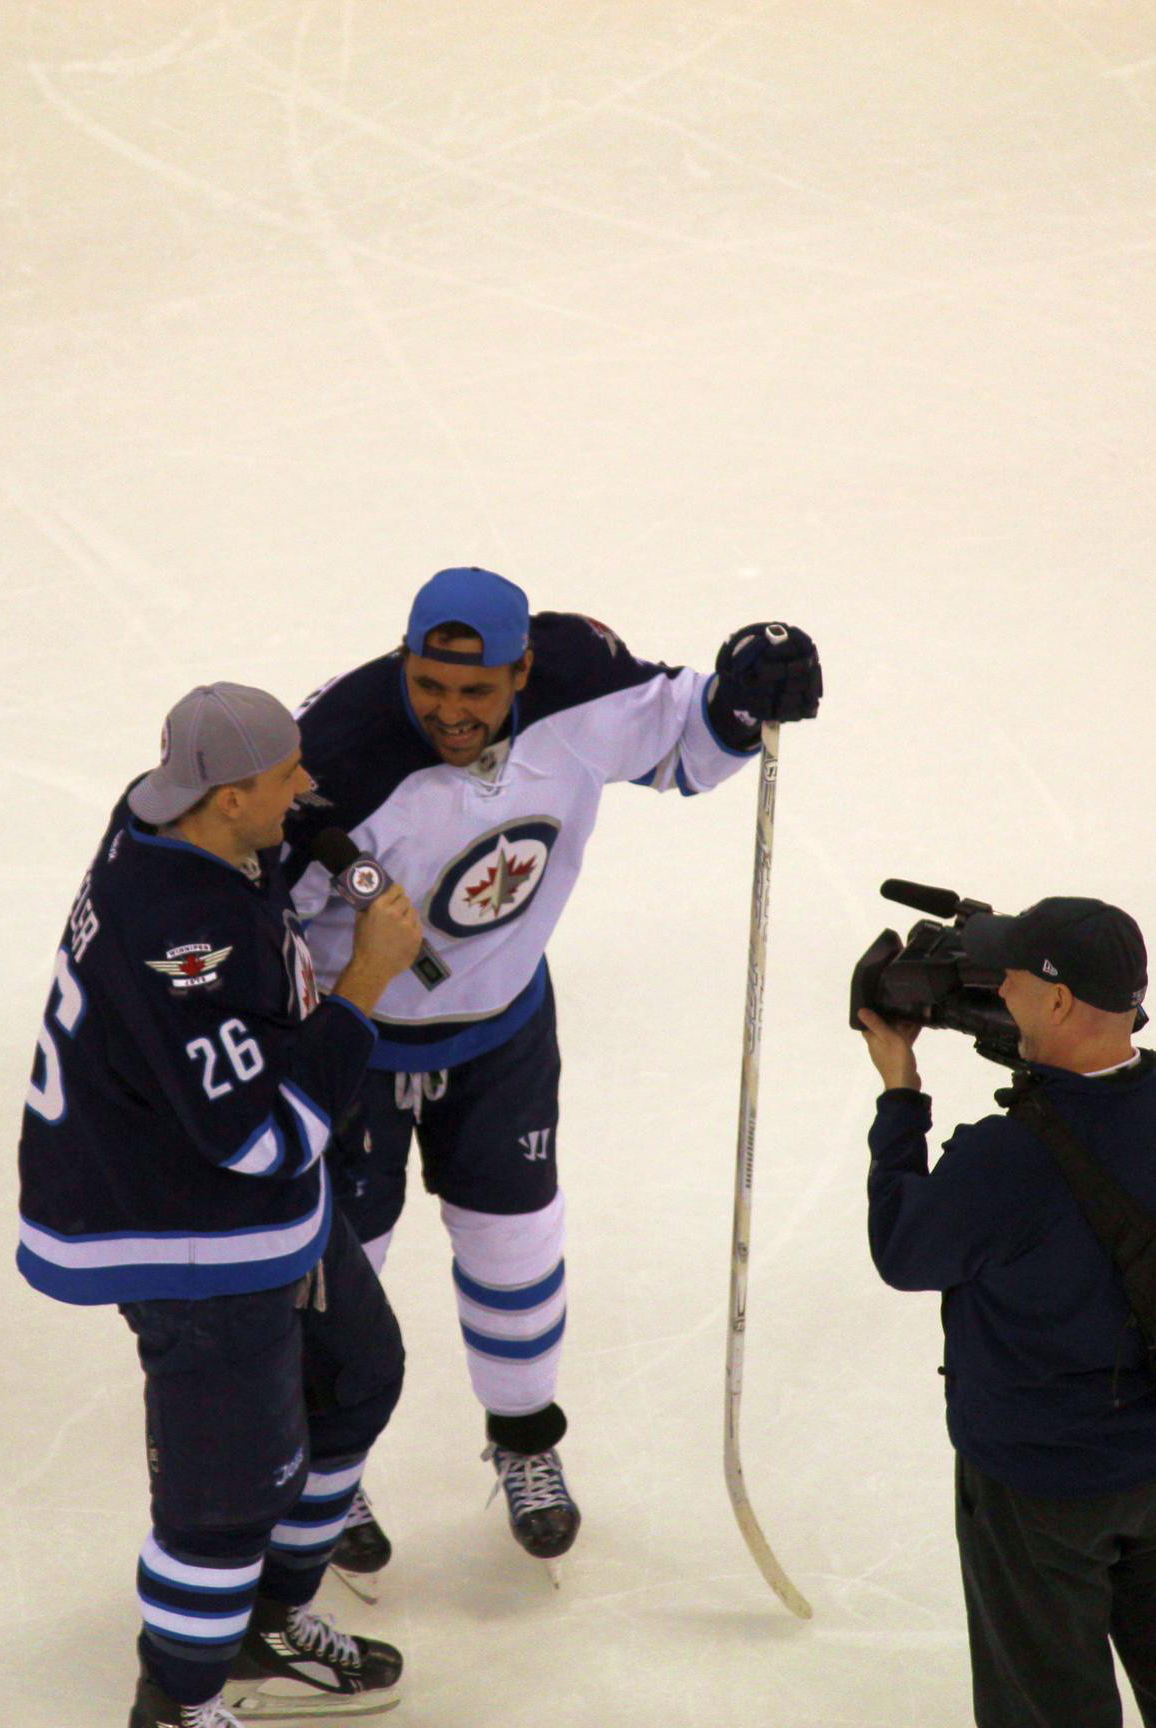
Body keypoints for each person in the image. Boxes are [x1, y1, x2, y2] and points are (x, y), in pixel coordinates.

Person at [279, 567, 823, 1577]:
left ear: (522, 670)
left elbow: (685, 740)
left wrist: (743, 699)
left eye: (476, 691)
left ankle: (526, 1442)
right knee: (339, 1269)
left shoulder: (578, 675)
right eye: (429, 686)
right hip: (355, 1045)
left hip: (502, 1034)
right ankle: (326, 1462)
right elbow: (257, 913)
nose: (450, 713)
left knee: (517, 1243)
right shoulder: (335, 756)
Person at [14, 682, 429, 1728]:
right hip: (182, 1235)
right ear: (230, 797)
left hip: (255, 1213)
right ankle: (180, 1706)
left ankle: (263, 1626)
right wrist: (366, 983)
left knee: (357, 1378)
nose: (308, 786)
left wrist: (313, 839)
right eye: (287, 777)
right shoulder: (180, 940)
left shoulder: (170, 818)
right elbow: (262, 1139)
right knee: (224, 1502)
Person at [855, 897, 1156, 1728]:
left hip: (1046, 1493)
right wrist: (1044, 1054)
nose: (998, 992)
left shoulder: (1003, 1162)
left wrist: (901, 1092)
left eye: (1011, 980)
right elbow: (1106, 1119)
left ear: (1062, 1000)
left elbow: (904, 1250)